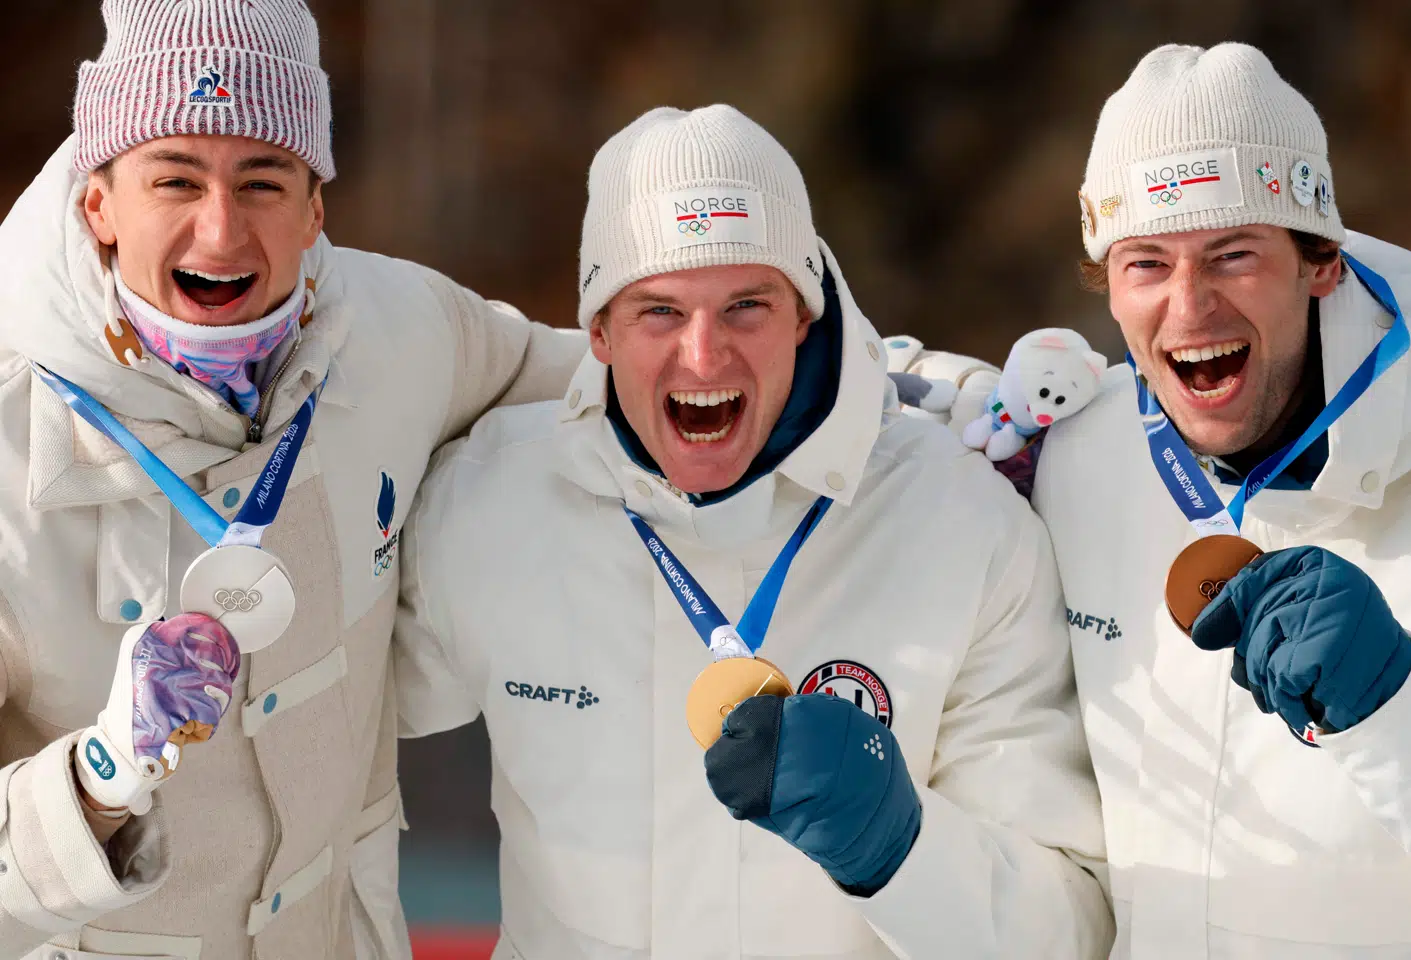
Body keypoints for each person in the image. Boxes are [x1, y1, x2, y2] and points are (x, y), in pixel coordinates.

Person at [393, 104, 1113, 960]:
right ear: (599, 331)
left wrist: (898, 850)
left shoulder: (957, 518)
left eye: (746, 306)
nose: (704, 356)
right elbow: (315, 731)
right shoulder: (489, 500)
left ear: (804, 315)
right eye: (660, 311)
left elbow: (1072, 928)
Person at [0, 1, 584, 957]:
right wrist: (99, 778)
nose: (221, 229)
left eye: (262, 181)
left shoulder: (398, 329)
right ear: (98, 201)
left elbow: (610, 390)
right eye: (175, 179)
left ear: (316, 208)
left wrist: (827, 380)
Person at [895, 42, 1411, 959]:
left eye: (1233, 255)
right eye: (1146, 262)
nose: (1189, 308)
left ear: (1320, 262)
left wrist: (1398, 708)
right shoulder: (1073, 458)